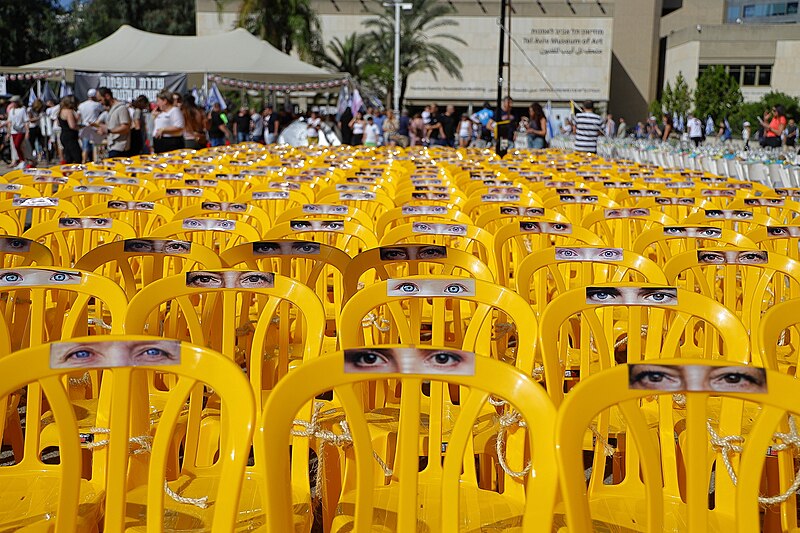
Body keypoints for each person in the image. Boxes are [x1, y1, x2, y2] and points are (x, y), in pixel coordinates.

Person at [97, 87, 130, 159]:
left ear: (107, 96)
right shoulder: (111, 109)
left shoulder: (121, 108)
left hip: (120, 148)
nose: (100, 103)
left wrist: (109, 130)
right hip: (112, 146)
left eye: (100, 100)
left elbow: (126, 128)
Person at [77, 88, 104, 163]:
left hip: (84, 127)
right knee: (95, 147)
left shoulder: (82, 105)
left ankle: (84, 161)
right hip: (94, 128)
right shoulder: (97, 105)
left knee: (85, 148)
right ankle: (94, 162)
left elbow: (78, 116)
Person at [5, 96, 29, 168]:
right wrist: (8, 132)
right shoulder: (11, 111)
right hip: (13, 131)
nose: (12, 103)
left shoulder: (22, 109)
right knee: (15, 147)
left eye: (14, 102)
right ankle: (21, 161)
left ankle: (22, 160)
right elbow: (9, 122)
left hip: (21, 131)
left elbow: (26, 121)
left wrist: (27, 131)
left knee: (17, 145)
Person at [58, 95, 82, 164]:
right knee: (77, 157)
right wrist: (80, 127)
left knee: (68, 157)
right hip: (70, 136)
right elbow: (72, 126)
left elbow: (59, 123)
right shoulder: (69, 111)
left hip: (63, 134)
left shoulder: (61, 111)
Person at [27, 99, 46, 163]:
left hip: (38, 127)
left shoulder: (39, 110)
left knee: (40, 142)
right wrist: (38, 117)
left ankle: (40, 156)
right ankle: (31, 157)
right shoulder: (30, 109)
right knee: (31, 143)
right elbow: (30, 119)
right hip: (32, 128)